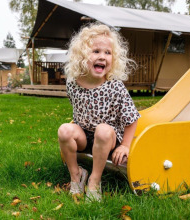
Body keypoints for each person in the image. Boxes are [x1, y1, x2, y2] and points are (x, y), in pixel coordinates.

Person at [58, 23, 140, 202]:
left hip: (107, 139)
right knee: (64, 129)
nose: (102, 57)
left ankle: (94, 181)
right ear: (81, 55)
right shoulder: (72, 83)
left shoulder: (115, 86)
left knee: (102, 130)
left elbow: (132, 118)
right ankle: (77, 176)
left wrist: (125, 145)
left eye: (107, 53)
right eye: (96, 51)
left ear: (114, 59)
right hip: (85, 135)